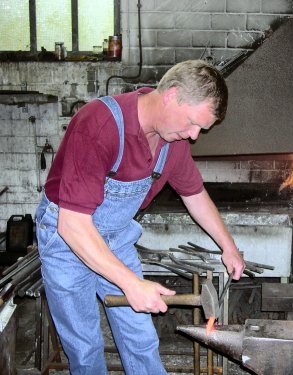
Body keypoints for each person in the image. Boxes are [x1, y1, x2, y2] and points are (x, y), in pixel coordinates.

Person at [35, 59, 245, 375]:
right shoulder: (99, 124)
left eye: (201, 129)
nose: (193, 136)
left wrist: (228, 245)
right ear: (171, 95)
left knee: (140, 341)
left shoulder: (172, 142)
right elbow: (73, 224)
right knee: (85, 348)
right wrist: (131, 284)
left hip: (116, 236)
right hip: (66, 239)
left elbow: (194, 194)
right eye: (192, 123)